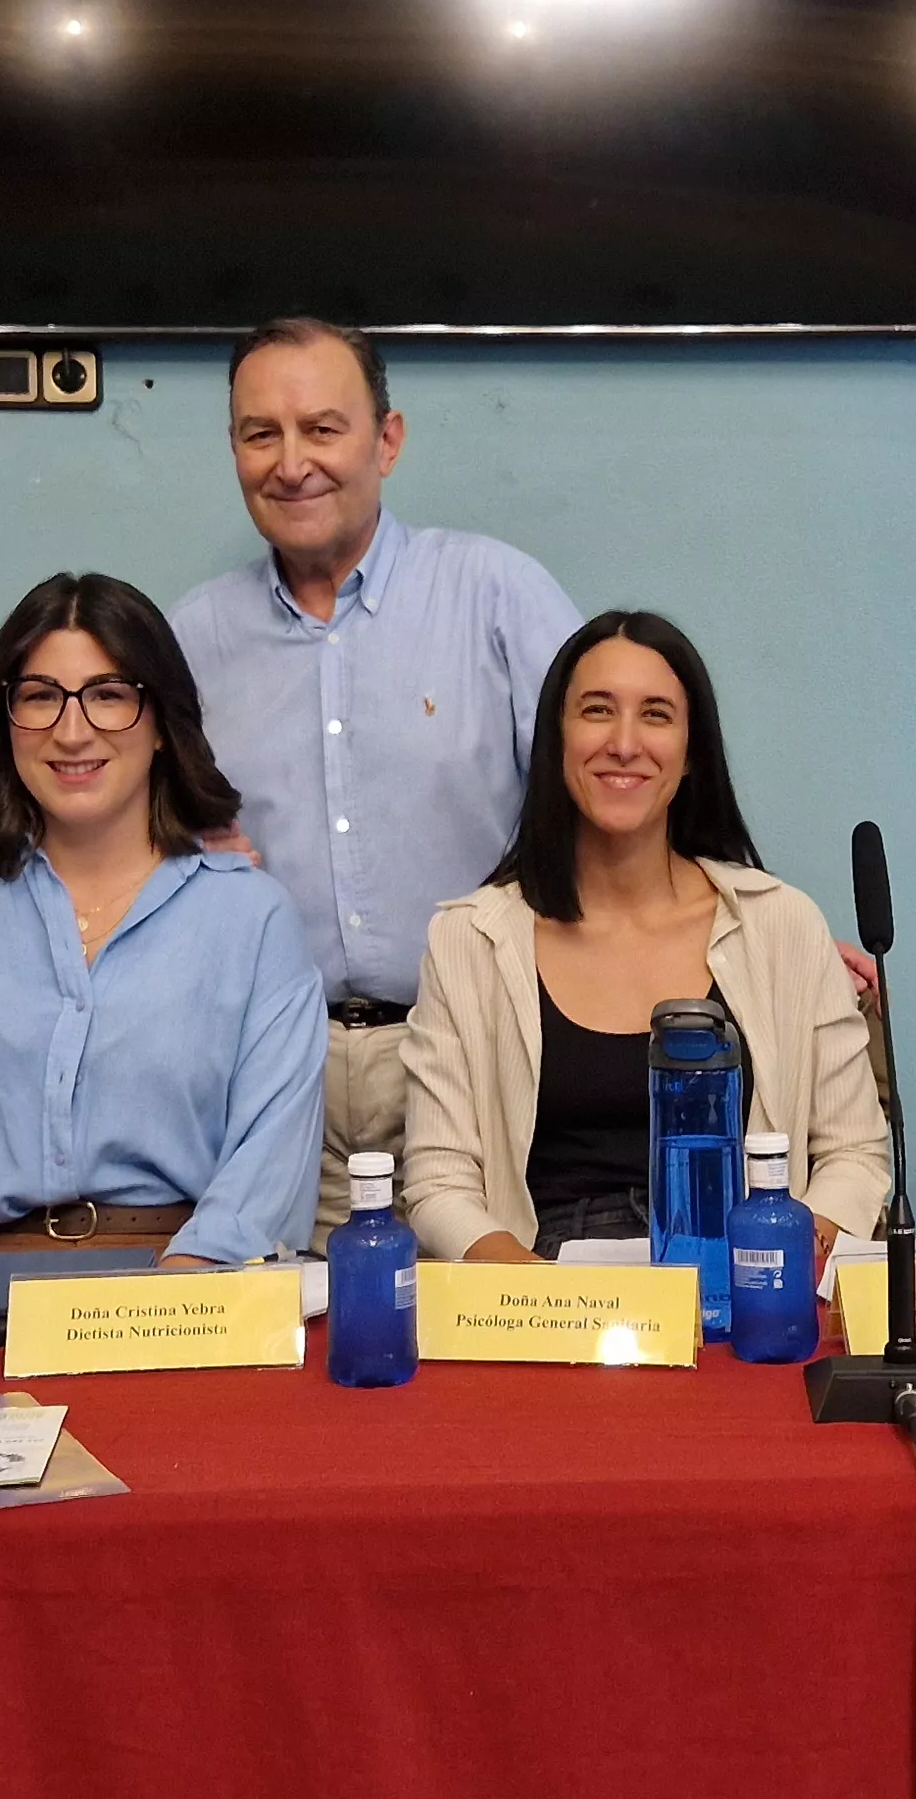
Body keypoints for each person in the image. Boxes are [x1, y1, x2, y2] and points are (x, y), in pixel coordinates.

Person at [169, 318, 583, 1250]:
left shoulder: (495, 595)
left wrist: (736, 917)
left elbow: (613, 793)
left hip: (470, 1053)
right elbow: (136, 851)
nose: (291, 463)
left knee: (479, 1344)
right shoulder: (190, 639)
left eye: (323, 428)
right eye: (259, 434)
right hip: (276, 1074)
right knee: (298, 1359)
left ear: (386, 441)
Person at [0, 574, 322, 1267]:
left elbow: (272, 1158)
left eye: (108, 696)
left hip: (185, 1289)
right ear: (5, 722)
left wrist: (181, 1296)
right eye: (39, 697)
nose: (71, 730)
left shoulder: (251, 918)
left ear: (161, 726)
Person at [398, 612, 887, 1261]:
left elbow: (855, 1154)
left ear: (690, 755)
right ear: (557, 739)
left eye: (656, 714)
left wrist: (784, 1257)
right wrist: (541, 1297)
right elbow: (438, 1184)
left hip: (739, 1282)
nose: (624, 743)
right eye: (597, 710)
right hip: (546, 1281)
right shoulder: (469, 939)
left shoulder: (782, 924)